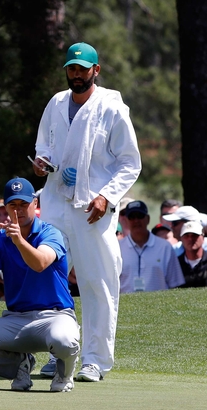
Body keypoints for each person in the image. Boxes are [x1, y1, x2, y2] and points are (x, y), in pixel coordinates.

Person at [32, 42, 142, 382]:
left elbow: (129, 163)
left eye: (83, 68)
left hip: (92, 210)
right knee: (52, 282)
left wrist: (105, 197)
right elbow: (44, 145)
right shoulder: (56, 102)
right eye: (71, 68)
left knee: (98, 285)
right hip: (54, 203)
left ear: (96, 70)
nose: (76, 74)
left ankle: (94, 360)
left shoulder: (111, 107)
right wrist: (42, 162)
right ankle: (59, 351)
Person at [0, 178, 80, 392]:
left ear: (35, 204)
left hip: (55, 316)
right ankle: (20, 367)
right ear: (6, 207)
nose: (18, 210)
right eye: (13, 205)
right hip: (16, 319)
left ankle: (64, 373)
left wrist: (19, 241)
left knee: (64, 340)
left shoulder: (50, 233)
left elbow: (40, 263)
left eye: (23, 204)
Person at [118, 201, 184, 293]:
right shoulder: (118, 248)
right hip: (125, 306)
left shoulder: (164, 247)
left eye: (140, 216)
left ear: (148, 219)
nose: (136, 220)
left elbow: (176, 285)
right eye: (132, 217)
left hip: (159, 305)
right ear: (127, 220)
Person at [177, 221, 207, 288]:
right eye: (186, 236)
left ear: (203, 237)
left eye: (195, 235)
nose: (190, 239)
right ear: (181, 239)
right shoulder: (175, 264)